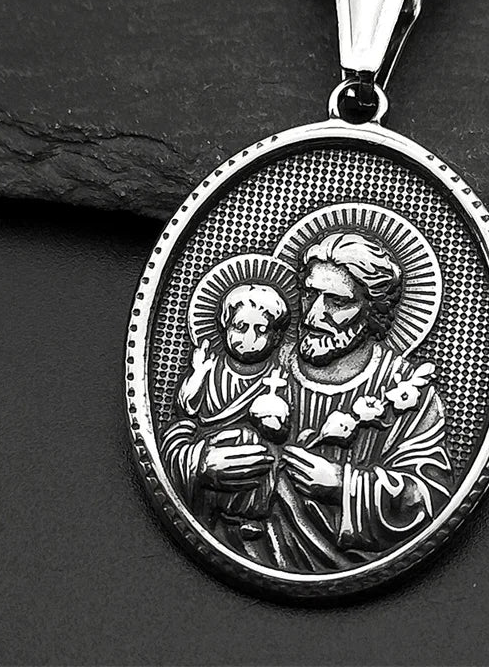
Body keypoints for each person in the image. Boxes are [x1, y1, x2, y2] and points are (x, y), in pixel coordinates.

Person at [240, 232, 454, 572]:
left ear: (373, 311)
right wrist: (202, 464)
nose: (312, 315)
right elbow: (186, 432)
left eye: (337, 303)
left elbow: (429, 498)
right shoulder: (266, 364)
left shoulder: (406, 392)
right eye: (309, 294)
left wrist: (343, 485)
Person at [160, 282, 292, 542]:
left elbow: (283, 429)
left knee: (258, 449)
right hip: (212, 449)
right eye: (240, 327)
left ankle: (249, 516)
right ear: (225, 327)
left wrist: (273, 422)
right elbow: (187, 407)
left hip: (255, 459)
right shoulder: (211, 368)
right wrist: (198, 373)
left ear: (276, 337)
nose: (249, 340)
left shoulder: (277, 375)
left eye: (261, 330)